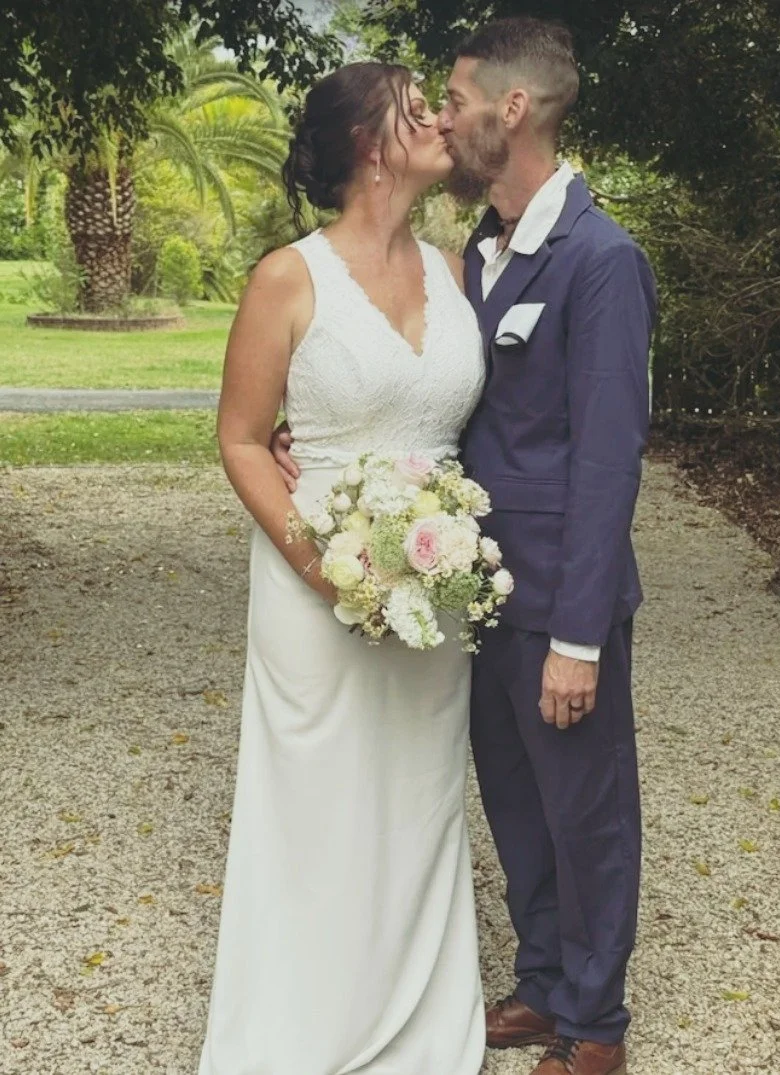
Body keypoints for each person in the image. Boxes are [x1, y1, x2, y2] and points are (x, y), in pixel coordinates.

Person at [275, 17, 656, 1075]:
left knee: (584, 810)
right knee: (516, 803)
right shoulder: (474, 255)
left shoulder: (599, 259)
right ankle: (541, 982)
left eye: (452, 99)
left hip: (556, 599)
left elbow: (605, 460)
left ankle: (596, 1023)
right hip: (469, 589)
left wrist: (578, 633)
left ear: (511, 110)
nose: (439, 116)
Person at [197, 63, 487, 1075]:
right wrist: (321, 562)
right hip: (312, 586)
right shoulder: (289, 276)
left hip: (437, 587)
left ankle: (419, 1026)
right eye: (420, 107)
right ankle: (299, 1032)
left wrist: (448, 544)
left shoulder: (456, 273)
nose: (441, 121)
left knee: (415, 804)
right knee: (319, 809)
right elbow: (240, 440)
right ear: (370, 142)